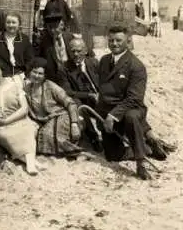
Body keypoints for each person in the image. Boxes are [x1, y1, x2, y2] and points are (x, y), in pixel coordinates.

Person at [96, 26, 156, 180]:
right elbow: (103, 90)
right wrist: (102, 116)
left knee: (132, 116)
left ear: (128, 42)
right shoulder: (103, 61)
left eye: (118, 40)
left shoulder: (136, 66)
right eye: (111, 40)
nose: (114, 44)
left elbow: (134, 99)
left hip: (129, 110)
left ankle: (140, 162)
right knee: (112, 156)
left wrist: (112, 116)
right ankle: (147, 147)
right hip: (109, 113)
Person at [0, 60, 40, 175]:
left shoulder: (13, 85)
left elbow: (24, 109)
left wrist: (6, 121)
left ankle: (30, 164)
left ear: (1, 69)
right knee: (7, 136)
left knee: (27, 130)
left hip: (18, 120)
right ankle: (31, 161)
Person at [24, 57, 83, 158]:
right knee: (37, 137)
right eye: (34, 72)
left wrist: (74, 124)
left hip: (62, 116)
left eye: (40, 73)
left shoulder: (51, 86)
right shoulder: (27, 89)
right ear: (29, 72)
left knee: (49, 135)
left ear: (45, 75)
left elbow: (71, 103)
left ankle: (78, 153)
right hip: (46, 120)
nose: (37, 76)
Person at [60, 38, 102, 152]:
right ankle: (93, 138)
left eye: (79, 51)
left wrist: (102, 94)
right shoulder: (64, 68)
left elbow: (106, 81)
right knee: (77, 105)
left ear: (85, 51)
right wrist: (89, 95)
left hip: (100, 96)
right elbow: (68, 91)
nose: (75, 54)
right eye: (73, 51)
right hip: (83, 99)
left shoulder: (94, 63)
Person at [0, 11, 35, 87]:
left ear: (19, 24)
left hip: (19, 78)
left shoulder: (24, 39)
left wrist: (27, 77)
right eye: (8, 22)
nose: (11, 25)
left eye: (14, 23)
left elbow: (30, 60)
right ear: (4, 24)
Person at [37, 11, 86, 85]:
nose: (52, 30)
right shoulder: (44, 42)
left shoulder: (70, 38)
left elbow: (85, 53)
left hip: (72, 76)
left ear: (62, 26)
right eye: (50, 27)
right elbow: (39, 60)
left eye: (55, 27)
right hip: (53, 79)